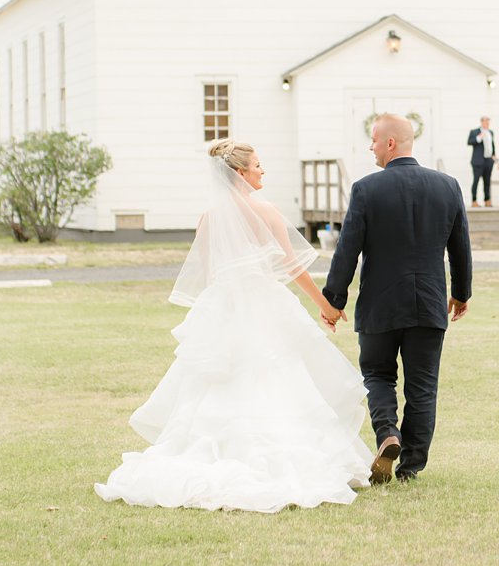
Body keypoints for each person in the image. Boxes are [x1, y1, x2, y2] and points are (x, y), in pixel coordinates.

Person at [96, 140, 370, 513]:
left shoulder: (209, 218)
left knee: (224, 382)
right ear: (240, 173)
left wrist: (220, 312)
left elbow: (209, 275)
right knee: (277, 377)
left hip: (226, 309)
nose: (262, 170)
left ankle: (220, 451)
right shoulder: (267, 212)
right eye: (257, 165)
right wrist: (326, 306)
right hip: (265, 306)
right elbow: (292, 269)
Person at [323, 113, 472, 485]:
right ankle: (410, 467)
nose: (370, 146)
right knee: (422, 385)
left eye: (374, 140)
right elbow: (461, 249)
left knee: (377, 374)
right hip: (429, 303)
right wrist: (461, 293)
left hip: (380, 304)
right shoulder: (448, 186)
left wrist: (334, 298)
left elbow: (347, 250)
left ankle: (388, 432)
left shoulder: (366, 189)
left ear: (391, 143)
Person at [466, 116, 496, 208]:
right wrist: (479, 138)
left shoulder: (490, 132)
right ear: (482, 122)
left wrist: (494, 155)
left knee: (487, 182)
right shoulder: (475, 132)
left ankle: (487, 200)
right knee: (476, 181)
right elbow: (469, 142)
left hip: (488, 161)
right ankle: (474, 200)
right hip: (478, 161)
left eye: (488, 122)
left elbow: (492, 145)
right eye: (486, 122)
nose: (487, 124)